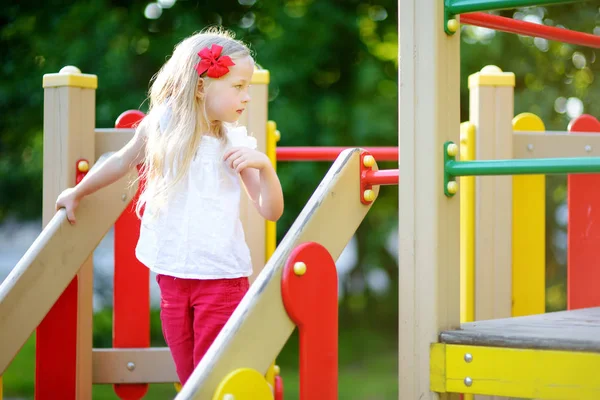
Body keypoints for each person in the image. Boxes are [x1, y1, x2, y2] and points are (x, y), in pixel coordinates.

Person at [55, 28, 284, 385]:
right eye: (239, 87)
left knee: (210, 377)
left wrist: (265, 167)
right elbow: (120, 162)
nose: (247, 97)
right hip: (173, 277)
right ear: (201, 87)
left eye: (248, 87)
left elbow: (270, 210)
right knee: (187, 372)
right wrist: (78, 191)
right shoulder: (161, 127)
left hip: (221, 279)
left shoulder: (236, 141)